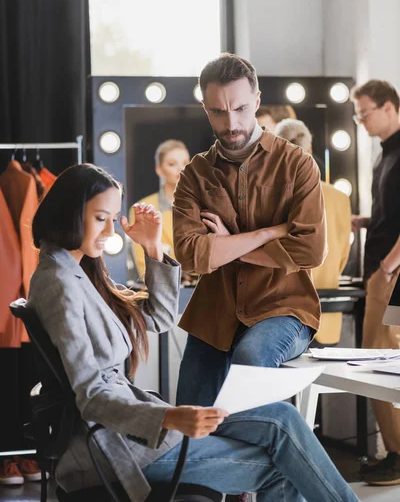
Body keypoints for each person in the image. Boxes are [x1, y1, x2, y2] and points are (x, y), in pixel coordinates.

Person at [26, 163, 358, 502]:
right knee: (283, 462)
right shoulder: (60, 285)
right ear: (70, 212)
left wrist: (153, 249)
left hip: (128, 433)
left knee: (282, 417)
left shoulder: (78, 271)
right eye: (100, 218)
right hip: (113, 448)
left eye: (113, 218)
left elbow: (157, 318)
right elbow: (91, 395)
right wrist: (170, 416)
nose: (111, 231)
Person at [173, 53, 327, 408]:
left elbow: (310, 251)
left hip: (284, 309)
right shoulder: (195, 174)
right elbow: (191, 255)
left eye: (241, 109)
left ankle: (269, 457)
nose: (231, 123)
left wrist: (226, 245)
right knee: (187, 427)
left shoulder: (297, 164)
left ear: (257, 101)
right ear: (205, 109)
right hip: (214, 314)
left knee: (251, 358)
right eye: (218, 112)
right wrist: (266, 234)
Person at [351, 79, 400, 485]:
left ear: (389, 107)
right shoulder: (385, 156)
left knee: (379, 363)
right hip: (384, 271)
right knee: (379, 362)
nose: (361, 120)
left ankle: (398, 455)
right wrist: (366, 222)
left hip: (393, 274)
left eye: (365, 112)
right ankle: (397, 453)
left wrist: (387, 267)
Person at [274, 119, 352, 345]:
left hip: (284, 315)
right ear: (309, 150)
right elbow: (343, 254)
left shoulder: (273, 198)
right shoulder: (339, 197)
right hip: (326, 313)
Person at [130, 139, 190, 280]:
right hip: (159, 288)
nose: (180, 168)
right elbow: (144, 266)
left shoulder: (204, 205)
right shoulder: (143, 208)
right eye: (172, 164)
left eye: (185, 163)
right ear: (159, 169)